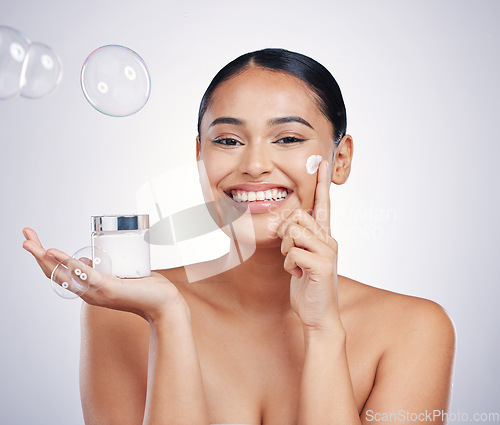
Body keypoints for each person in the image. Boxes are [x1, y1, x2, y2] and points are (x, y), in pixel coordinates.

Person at [22, 48, 455, 425]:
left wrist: (324, 331)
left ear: (339, 160)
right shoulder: (121, 312)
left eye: (287, 138)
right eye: (228, 140)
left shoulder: (414, 331)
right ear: (199, 156)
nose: (254, 165)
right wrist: (169, 318)